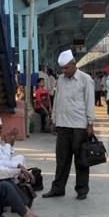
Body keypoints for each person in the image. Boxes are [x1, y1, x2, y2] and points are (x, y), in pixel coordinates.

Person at [42, 50, 95, 200]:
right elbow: (57, 100)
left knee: (81, 159)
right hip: (63, 125)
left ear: (74, 64)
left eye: (66, 68)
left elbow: (90, 102)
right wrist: (54, 119)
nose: (64, 71)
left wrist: (90, 124)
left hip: (79, 125)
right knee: (62, 159)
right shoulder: (60, 79)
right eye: (62, 69)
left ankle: (82, 190)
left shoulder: (86, 79)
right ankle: (58, 188)